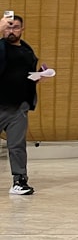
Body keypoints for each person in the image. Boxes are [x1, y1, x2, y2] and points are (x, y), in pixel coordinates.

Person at [0, 15, 41, 195]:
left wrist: (38, 76)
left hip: (18, 107)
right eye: (8, 27)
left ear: (22, 29)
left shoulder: (27, 51)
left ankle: (19, 180)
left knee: (17, 145)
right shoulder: (1, 48)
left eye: (15, 27)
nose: (11, 30)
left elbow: (25, 77)